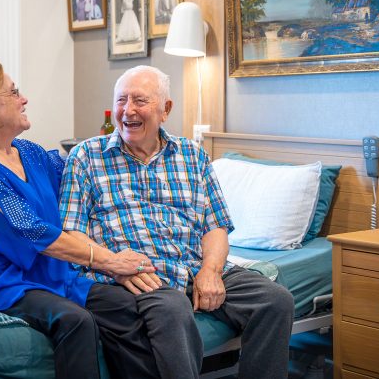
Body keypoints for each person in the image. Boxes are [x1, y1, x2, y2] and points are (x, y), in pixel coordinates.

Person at [59, 65, 295, 379]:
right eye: (121, 100)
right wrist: (113, 263)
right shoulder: (86, 157)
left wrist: (211, 271)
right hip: (142, 274)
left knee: (275, 300)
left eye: (139, 101)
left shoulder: (192, 155)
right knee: (172, 309)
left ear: (165, 109)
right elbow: (71, 233)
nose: (128, 110)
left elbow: (215, 226)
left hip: (194, 264)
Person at [0, 62, 161, 379]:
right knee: (75, 321)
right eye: (13, 92)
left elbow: (79, 178)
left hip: (48, 275)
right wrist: (109, 262)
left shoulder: (29, 151)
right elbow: (31, 231)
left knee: (124, 305)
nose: (23, 98)